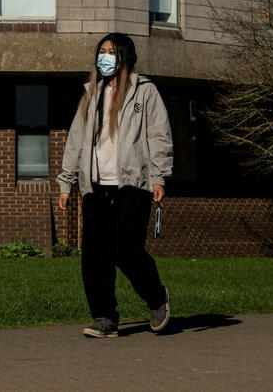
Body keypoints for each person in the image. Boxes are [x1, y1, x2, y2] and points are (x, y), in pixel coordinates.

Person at [57, 32, 172, 338]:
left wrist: (159, 176)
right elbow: (76, 140)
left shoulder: (145, 91)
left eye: (111, 52)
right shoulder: (91, 93)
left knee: (126, 249)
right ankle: (104, 318)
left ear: (124, 57)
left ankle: (156, 297)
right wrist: (66, 183)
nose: (104, 57)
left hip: (133, 184)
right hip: (96, 187)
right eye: (101, 51)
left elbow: (159, 135)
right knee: (94, 255)